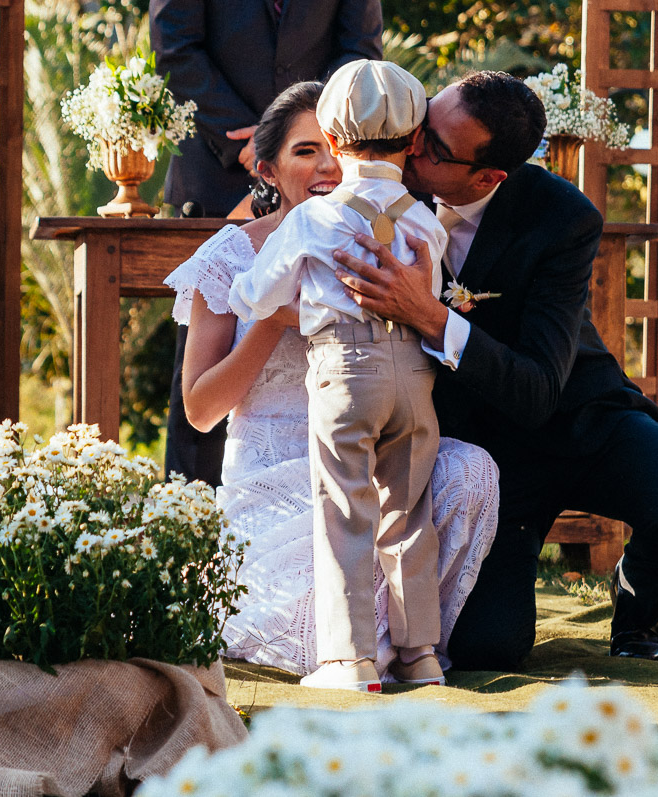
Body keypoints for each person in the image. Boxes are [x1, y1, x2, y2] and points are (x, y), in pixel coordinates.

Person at [334, 71, 658, 668]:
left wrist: (432, 318)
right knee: (486, 649)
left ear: (488, 176)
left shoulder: (561, 218)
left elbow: (540, 387)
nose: (410, 147)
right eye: (419, 129)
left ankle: (638, 606)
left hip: (579, 416)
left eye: (434, 148)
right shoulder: (384, 189)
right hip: (487, 458)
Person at [164, 81, 499, 684]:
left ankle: (400, 647)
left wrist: (414, 306)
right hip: (275, 480)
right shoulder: (231, 255)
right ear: (266, 168)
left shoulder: (392, 235)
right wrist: (274, 317)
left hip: (368, 438)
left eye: (330, 148)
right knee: (332, 572)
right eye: (303, 151)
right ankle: (379, 649)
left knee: (467, 472)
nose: (326, 165)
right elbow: (200, 410)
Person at [229, 61, 448, 691]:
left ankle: (348, 660)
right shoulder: (424, 219)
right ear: (413, 142)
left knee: (344, 509)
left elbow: (258, 292)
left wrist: (251, 294)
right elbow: (427, 289)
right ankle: (420, 656)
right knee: (409, 514)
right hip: (413, 373)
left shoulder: (310, 219)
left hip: (345, 373)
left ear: (330, 134)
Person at [151, 0, 382, 488]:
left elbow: (360, 50)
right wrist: (260, 143)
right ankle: (191, 522)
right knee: (202, 356)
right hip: (218, 168)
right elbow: (175, 45)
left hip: (325, 154)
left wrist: (320, 126)